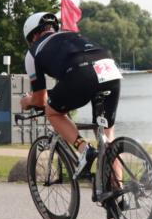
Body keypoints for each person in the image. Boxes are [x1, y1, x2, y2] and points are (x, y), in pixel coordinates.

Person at [19, 11, 122, 180]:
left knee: (52, 112)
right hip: (109, 69)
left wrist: (27, 101)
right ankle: (119, 194)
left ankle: (84, 149)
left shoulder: (33, 53)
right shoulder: (72, 35)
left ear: (32, 36)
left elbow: (40, 99)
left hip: (81, 73)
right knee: (107, 139)